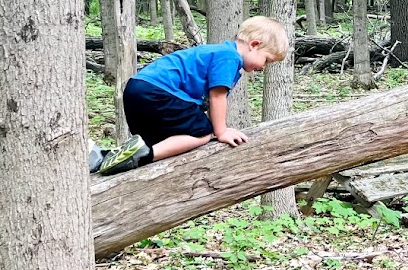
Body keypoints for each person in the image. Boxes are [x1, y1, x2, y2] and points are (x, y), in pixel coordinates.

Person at [95, 16, 289, 175]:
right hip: (157, 91)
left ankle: (104, 157)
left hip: (137, 90)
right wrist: (220, 132)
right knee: (202, 132)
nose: (263, 67)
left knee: (164, 137)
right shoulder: (229, 57)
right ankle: (144, 155)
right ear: (254, 45)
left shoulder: (216, 51)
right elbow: (217, 97)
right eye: (267, 60)